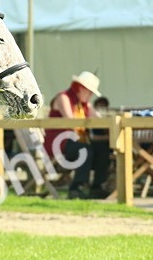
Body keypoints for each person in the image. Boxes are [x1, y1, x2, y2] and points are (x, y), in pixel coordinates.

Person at [45, 71, 108, 199]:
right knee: (84, 149)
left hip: (75, 142)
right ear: (80, 88)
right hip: (59, 143)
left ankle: (97, 186)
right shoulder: (63, 97)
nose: (91, 96)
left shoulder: (84, 104)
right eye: (89, 92)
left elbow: (98, 120)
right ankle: (76, 188)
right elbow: (71, 121)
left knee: (103, 147)